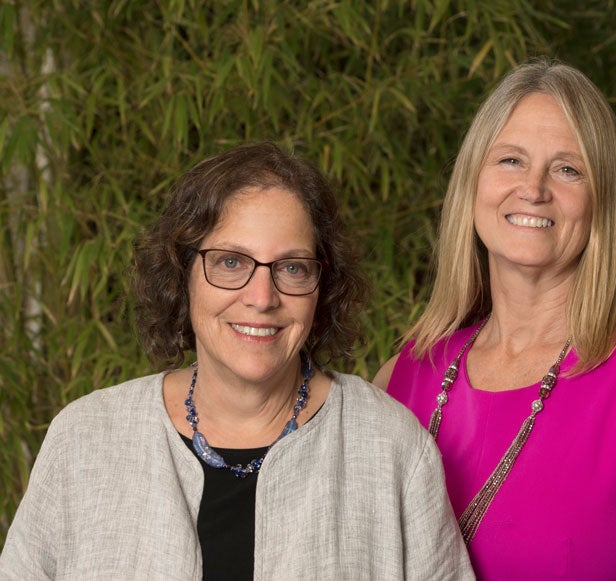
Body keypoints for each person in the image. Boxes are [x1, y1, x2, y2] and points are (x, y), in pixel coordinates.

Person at [0, 140, 474, 580]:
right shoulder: (84, 441)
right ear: (182, 274)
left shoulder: (392, 449)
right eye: (231, 262)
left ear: (322, 287)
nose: (262, 297)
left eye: (291, 267)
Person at [373, 58, 616, 580]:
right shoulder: (402, 378)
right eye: (509, 160)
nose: (534, 188)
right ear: (472, 182)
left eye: (568, 169)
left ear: (603, 202)